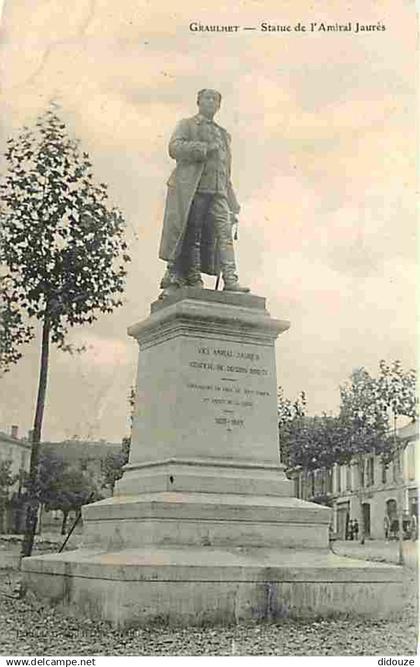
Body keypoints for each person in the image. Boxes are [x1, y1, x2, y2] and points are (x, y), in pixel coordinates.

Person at [158, 89, 249, 296]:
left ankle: (231, 279)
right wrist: (204, 148)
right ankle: (193, 277)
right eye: (207, 98)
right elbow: (174, 148)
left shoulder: (224, 135)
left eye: (215, 99)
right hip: (194, 190)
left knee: (225, 235)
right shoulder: (187, 125)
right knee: (193, 235)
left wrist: (233, 202)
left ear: (219, 105)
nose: (211, 102)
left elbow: (224, 172)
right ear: (198, 102)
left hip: (219, 193)